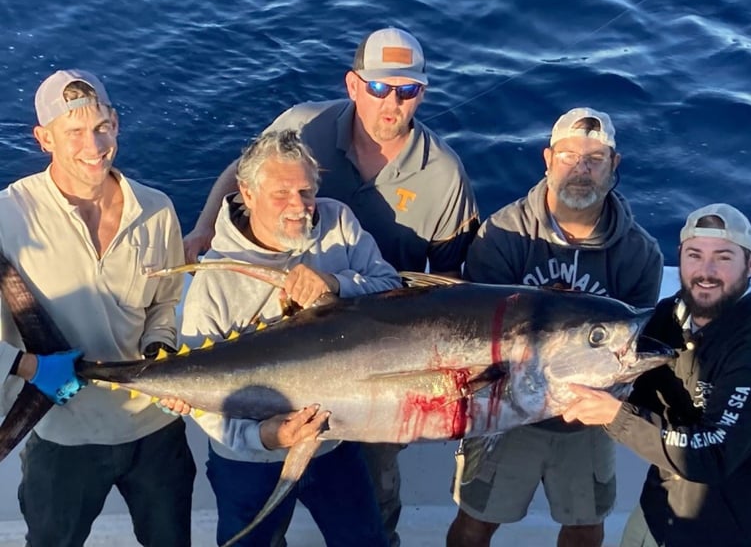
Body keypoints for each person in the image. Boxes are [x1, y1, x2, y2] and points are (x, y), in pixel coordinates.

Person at [183, 27, 480, 545]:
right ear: (353, 84)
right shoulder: (304, 126)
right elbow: (247, 167)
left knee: (370, 515)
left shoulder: (428, 182)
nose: (392, 102)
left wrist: (337, 285)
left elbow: (451, 284)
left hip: (382, 370)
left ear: (422, 93)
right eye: (380, 87)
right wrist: (206, 228)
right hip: (263, 435)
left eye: (407, 90)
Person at [447, 107, 664, 547]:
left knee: (586, 527)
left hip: (589, 420)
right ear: (547, 159)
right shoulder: (503, 235)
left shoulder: (640, 254)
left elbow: (631, 350)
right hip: (504, 411)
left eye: (595, 159)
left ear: (614, 165)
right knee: (475, 522)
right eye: (568, 156)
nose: (581, 169)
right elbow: (473, 340)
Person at [175, 128, 401, 546]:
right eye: (281, 193)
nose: (299, 206)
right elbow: (200, 390)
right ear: (246, 193)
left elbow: (390, 288)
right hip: (249, 455)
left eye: (306, 191)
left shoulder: (337, 222)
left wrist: (335, 283)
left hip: (334, 438)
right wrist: (266, 437)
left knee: (364, 540)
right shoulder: (215, 278)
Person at [0, 69, 194, 546]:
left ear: (116, 124)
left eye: (102, 127)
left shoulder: (156, 209)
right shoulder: (7, 216)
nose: (94, 145)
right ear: (44, 138)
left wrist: (161, 348)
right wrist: (30, 367)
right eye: (74, 132)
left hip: (155, 429)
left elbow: (166, 301)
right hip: (62, 433)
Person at [563, 203, 751, 547]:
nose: (706, 271)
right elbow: (637, 387)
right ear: (679, 257)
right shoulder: (668, 317)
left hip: (736, 533)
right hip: (658, 514)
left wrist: (615, 415)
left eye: (723, 257)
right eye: (694, 255)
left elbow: (712, 454)